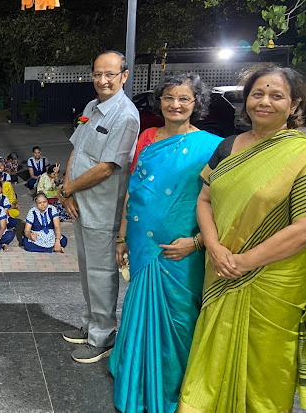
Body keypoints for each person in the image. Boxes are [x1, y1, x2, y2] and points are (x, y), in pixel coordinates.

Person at [177, 64, 306, 412]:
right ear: (246, 100)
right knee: (211, 356)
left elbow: (303, 228)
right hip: (220, 268)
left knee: (263, 368)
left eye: (276, 96)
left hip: (271, 282)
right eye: (257, 94)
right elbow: (204, 200)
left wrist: (243, 262)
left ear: (294, 104)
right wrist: (214, 247)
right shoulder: (229, 146)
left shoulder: (301, 154)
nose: (264, 102)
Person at [106, 73, 222, 413]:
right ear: (160, 101)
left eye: (184, 98)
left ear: (196, 104)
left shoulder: (213, 146)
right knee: (139, 308)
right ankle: (136, 379)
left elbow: (221, 205)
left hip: (182, 248)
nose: (176, 104)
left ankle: (175, 388)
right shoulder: (148, 138)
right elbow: (134, 192)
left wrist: (198, 243)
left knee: (180, 317)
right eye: (169, 97)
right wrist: (122, 236)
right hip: (142, 241)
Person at [58, 51, 139, 364]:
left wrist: (69, 189)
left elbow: (107, 168)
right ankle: (91, 324)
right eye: (97, 74)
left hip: (103, 209)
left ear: (124, 76)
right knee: (87, 270)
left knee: (102, 274)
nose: (103, 81)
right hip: (80, 203)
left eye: (110, 74)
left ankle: (102, 336)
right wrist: (66, 190)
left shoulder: (125, 116)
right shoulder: (92, 107)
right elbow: (77, 150)